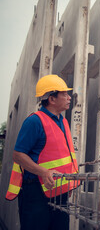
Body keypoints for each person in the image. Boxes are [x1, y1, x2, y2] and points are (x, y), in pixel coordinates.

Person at [6, 75, 79, 230]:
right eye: (64, 94)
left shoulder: (63, 121)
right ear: (52, 99)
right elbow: (18, 155)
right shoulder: (34, 121)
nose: (68, 97)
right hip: (36, 193)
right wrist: (43, 172)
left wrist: (69, 184)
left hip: (59, 192)